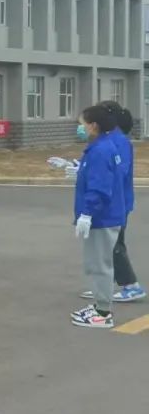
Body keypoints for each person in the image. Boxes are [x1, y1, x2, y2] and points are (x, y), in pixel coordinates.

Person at [70, 105, 126, 329]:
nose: (80, 128)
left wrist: (87, 213)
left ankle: (103, 313)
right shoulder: (99, 147)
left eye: (82, 124)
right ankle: (98, 305)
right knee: (95, 263)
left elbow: (100, 188)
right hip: (104, 215)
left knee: (100, 265)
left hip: (102, 217)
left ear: (94, 126)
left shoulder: (100, 150)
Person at [95, 101, 144, 302]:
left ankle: (131, 285)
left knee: (114, 244)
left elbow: (119, 171)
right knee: (102, 245)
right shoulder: (105, 138)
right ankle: (103, 285)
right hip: (106, 200)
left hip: (117, 201)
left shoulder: (120, 141)